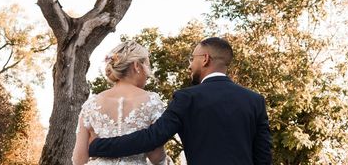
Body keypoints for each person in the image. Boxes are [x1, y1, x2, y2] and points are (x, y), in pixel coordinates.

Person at [89, 37, 272, 165]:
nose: (190, 65)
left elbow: (151, 138)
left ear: (205, 59)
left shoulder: (187, 98)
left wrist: (98, 146)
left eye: (192, 58)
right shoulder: (255, 100)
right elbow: (263, 157)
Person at [72, 40, 169, 165]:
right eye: (147, 65)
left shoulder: (92, 103)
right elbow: (156, 156)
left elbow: (79, 157)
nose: (148, 73)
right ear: (137, 66)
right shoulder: (151, 101)